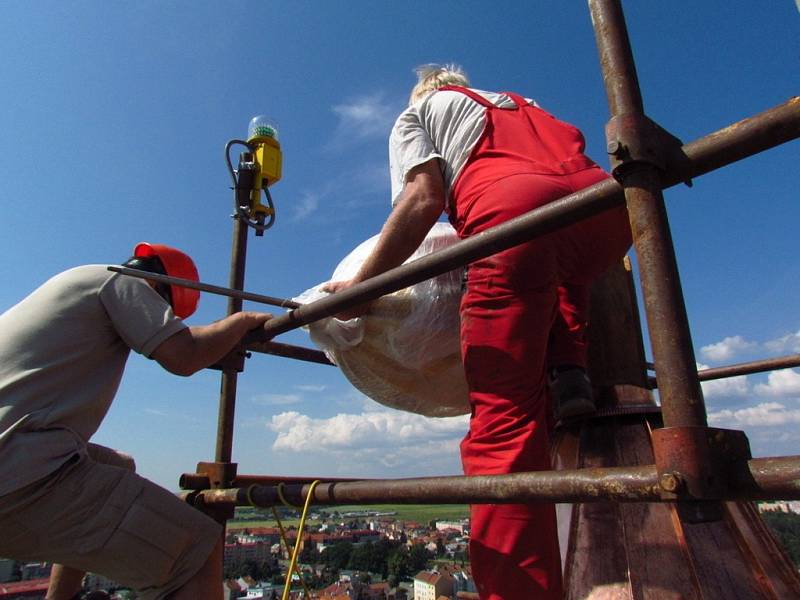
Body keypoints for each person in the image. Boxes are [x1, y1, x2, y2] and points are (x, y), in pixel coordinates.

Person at [324, 65, 631, 599]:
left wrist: (363, 291)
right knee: (563, 272)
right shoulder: (523, 100)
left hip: (514, 212)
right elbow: (563, 171)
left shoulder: (418, 113)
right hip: (608, 211)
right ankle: (569, 370)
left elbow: (423, 200)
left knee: (504, 428)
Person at [0, 242, 272, 600]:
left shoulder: (74, 283)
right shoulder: (121, 281)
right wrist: (242, 322)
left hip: (14, 457)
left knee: (119, 465)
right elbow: (185, 355)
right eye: (165, 312)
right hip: (19, 473)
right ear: (159, 290)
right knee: (195, 549)